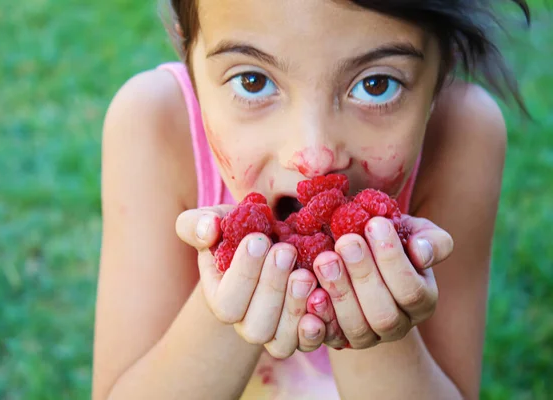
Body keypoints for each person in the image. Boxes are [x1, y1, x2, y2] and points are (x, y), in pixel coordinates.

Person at [92, 1, 530, 399]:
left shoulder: (464, 136)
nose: (313, 157)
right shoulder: (153, 127)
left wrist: (378, 327)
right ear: (188, 50)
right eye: (253, 80)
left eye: (376, 85)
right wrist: (225, 306)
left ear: (441, 69)